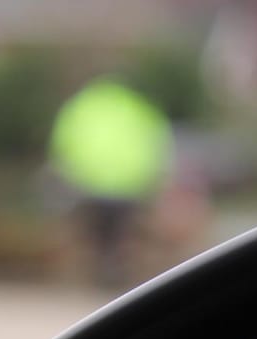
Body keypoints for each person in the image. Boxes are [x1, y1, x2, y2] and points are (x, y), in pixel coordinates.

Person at [50, 77, 173, 288]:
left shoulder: (82, 106)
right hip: (129, 185)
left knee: (97, 233)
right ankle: (116, 268)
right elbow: (158, 144)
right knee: (121, 232)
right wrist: (153, 179)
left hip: (90, 184)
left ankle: (102, 269)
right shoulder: (138, 107)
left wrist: (68, 175)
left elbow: (63, 144)